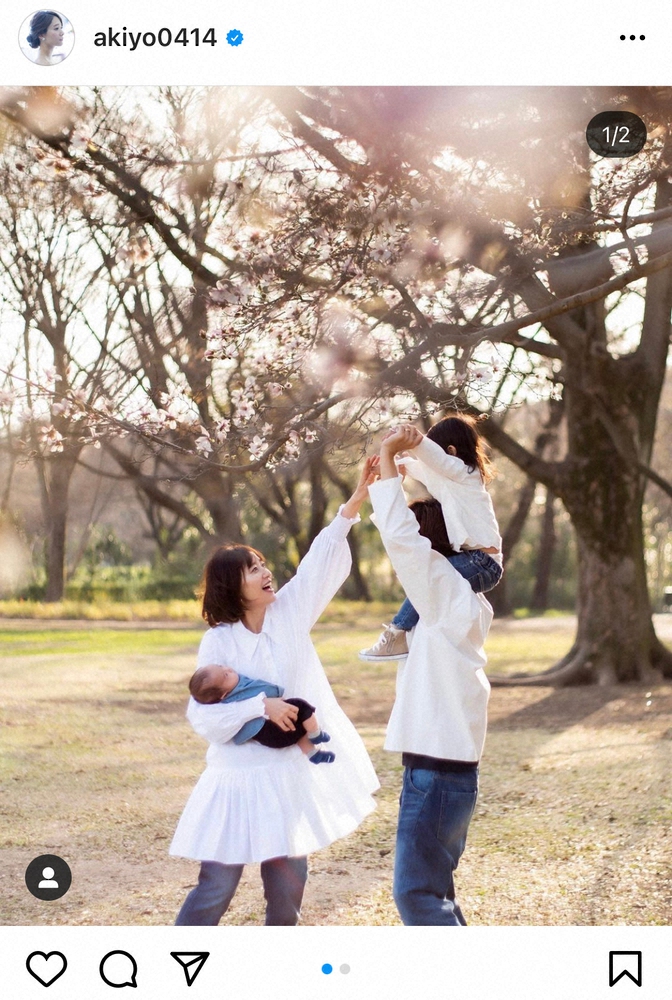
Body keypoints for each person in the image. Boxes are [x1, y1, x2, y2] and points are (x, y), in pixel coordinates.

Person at [170, 457, 379, 926]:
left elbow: (318, 566)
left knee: (287, 890)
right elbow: (202, 717)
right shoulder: (219, 640)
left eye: (262, 563)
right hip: (238, 778)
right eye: (252, 569)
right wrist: (260, 704)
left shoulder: (290, 612)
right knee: (216, 885)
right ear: (232, 586)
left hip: (287, 774)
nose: (264, 571)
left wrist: (354, 502)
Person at [367, 426, 492, 925]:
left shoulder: (441, 590)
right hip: (442, 767)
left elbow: (399, 536)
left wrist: (386, 458)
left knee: (417, 896)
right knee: (435, 894)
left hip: (438, 771)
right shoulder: (455, 602)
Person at [360, 414, 502, 661]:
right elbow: (426, 470)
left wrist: (415, 440)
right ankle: (397, 634)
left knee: (424, 578)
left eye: (438, 453)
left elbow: (437, 462)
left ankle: (397, 632)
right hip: (475, 561)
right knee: (423, 580)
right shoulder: (451, 480)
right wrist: (393, 461)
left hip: (482, 563)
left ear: (451, 450)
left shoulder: (467, 473)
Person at [189, 663, 335, 764]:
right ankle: (316, 733)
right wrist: (263, 704)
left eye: (222, 667)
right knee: (300, 707)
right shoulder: (237, 696)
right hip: (271, 734)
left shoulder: (228, 696)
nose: (228, 669)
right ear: (224, 694)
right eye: (226, 676)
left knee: (297, 725)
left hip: (269, 737)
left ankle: (312, 753)